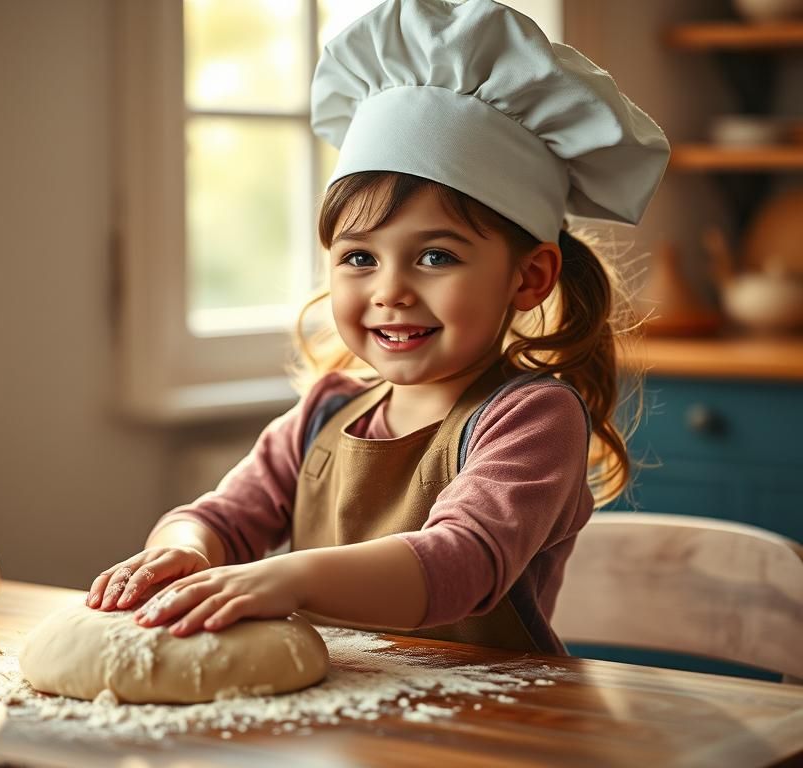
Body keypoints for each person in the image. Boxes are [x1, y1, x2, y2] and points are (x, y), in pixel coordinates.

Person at [86, 0, 670, 654]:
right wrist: (184, 552)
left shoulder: (533, 418)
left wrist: (288, 578)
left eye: (435, 257)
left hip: (498, 733)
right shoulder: (321, 416)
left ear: (529, 277)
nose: (390, 290)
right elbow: (219, 517)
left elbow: (461, 561)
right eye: (359, 258)